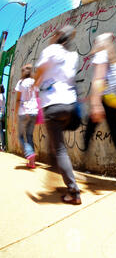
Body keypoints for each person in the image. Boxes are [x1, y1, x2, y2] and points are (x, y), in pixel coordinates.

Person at [33, 25, 82, 205]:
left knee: (59, 149)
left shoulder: (51, 49)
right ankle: (58, 171)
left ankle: (73, 191)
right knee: (56, 146)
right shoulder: (72, 55)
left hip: (52, 106)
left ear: (57, 36)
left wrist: (36, 83)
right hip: (69, 105)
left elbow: (40, 69)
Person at [84, 33, 116, 188]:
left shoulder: (100, 55)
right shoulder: (114, 57)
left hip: (105, 101)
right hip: (114, 101)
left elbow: (98, 80)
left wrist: (95, 104)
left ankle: (80, 166)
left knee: (88, 132)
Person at [15, 65, 39, 168]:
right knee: (29, 135)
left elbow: (18, 99)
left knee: (20, 136)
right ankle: (32, 163)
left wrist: (16, 112)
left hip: (23, 112)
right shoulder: (35, 82)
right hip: (34, 111)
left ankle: (29, 153)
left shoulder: (20, 83)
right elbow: (37, 97)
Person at [0, 84, 5, 151]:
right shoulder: (3, 96)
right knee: (2, 131)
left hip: (0, 114)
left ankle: (2, 146)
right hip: (3, 114)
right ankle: (3, 146)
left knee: (0, 131)